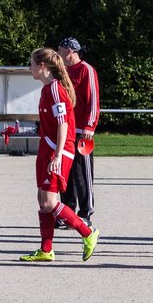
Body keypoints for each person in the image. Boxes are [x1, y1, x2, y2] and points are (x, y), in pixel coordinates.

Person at [19, 48, 100, 263]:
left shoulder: (55, 89)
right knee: (42, 199)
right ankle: (46, 250)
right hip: (48, 148)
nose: (30, 68)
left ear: (43, 66)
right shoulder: (47, 89)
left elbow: (63, 124)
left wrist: (57, 155)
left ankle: (87, 232)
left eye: (32, 63)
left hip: (58, 150)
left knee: (50, 201)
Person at [58, 37, 99, 227]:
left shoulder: (86, 70)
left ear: (70, 51)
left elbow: (93, 101)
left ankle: (85, 212)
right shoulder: (61, 72)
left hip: (82, 130)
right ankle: (67, 211)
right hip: (66, 129)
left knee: (83, 173)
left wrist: (90, 126)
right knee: (65, 172)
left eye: (61, 49)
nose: (58, 53)